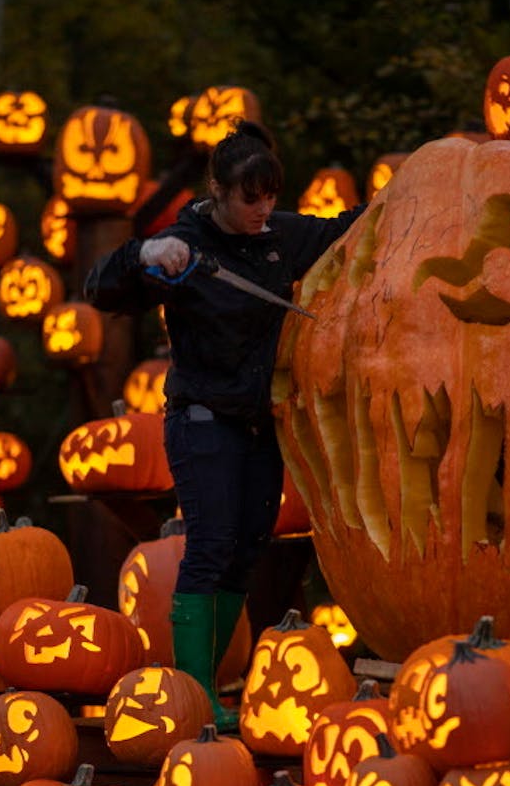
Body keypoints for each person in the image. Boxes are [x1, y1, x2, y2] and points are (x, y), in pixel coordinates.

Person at [85, 120, 361, 727]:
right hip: (202, 421)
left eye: (271, 196)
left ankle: (216, 684)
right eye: (249, 197)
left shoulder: (279, 237)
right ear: (218, 190)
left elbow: (348, 231)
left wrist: (413, 190)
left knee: (247, 549)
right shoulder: (184, 245)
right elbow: (101, 288)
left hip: (260, 423)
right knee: (208, 546)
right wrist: (144, 254)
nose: (263, 209)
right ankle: (191, 694)